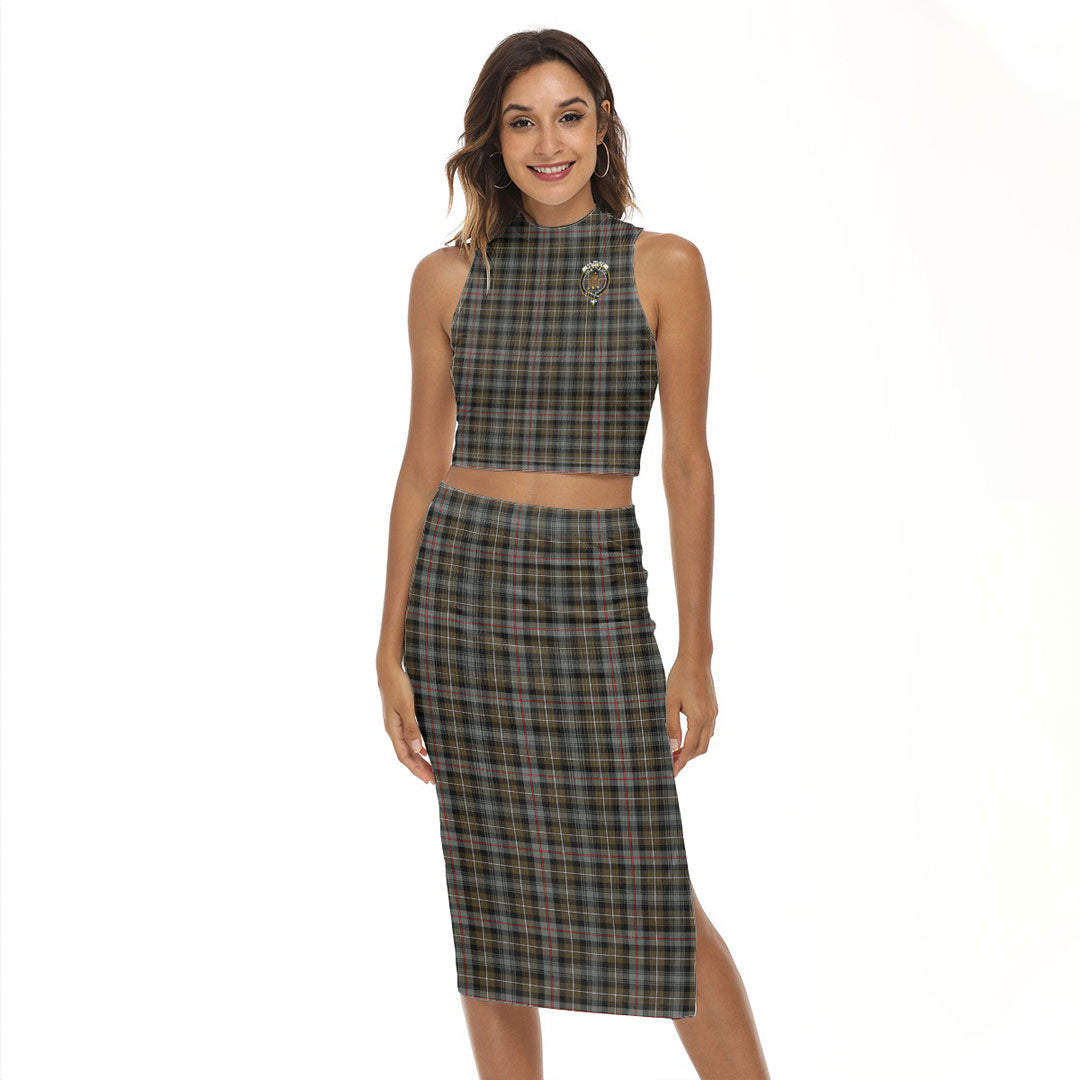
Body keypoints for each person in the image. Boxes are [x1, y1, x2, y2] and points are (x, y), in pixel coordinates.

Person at [377, 29, 771, 1080]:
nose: (547, 144)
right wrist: (388, 648)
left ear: (602, 126)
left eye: (568, 116)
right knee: (490, 895)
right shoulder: (447, 278)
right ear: (492, 141)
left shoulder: (664, 266)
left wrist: (695, 650)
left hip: (593, 591)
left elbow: (686, 465)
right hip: (463, 599)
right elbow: (420, 468)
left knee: (657, 892)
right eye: (522, 122)